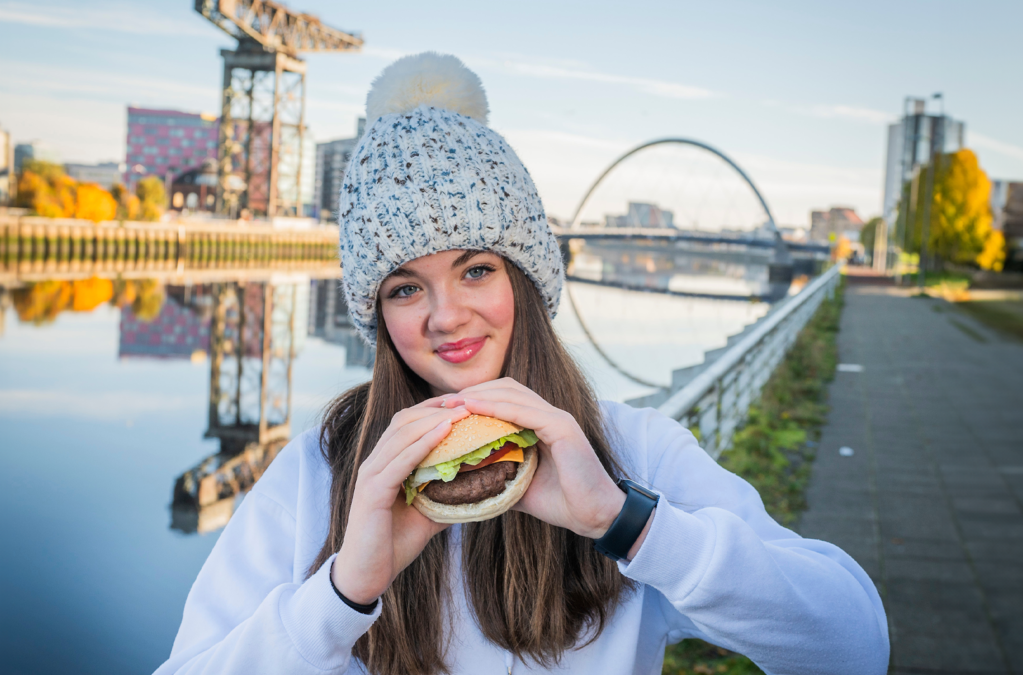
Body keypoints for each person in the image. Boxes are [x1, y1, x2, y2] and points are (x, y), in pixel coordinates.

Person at [154, 53, 889, 675]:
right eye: (405, 286)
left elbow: (854, 645)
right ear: (377, 315)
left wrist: (627, 523)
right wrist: (342, 593)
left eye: (476, 270)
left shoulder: (630, 452)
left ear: (527, 281)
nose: (445, 315)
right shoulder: (319, 471)